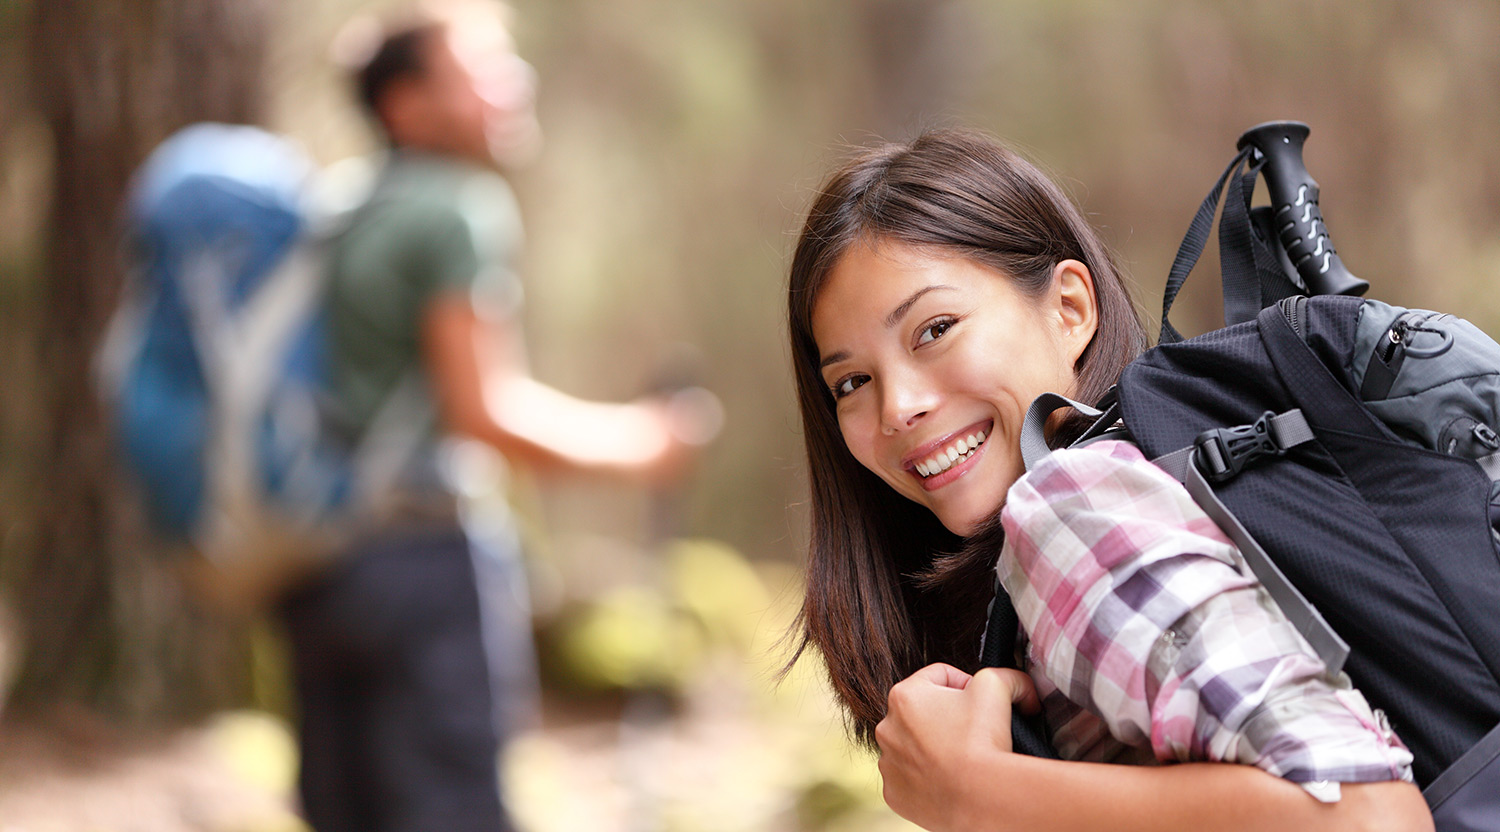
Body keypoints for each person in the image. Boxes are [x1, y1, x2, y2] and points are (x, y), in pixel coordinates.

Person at [784, 128, 1433, 831]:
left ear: (1070, 309)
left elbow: (1371, 817)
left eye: (934, 329)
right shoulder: (1096, 513)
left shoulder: (1074, 508)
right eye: (851, 381)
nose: (897, 407)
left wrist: (976, 794)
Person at [279, 6, 714, 831]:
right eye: (480, 69)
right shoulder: (456, 209)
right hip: (424, 561)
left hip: (320, 563)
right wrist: (643, 444)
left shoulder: (343, 210)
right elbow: (488, 413)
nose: (513, 84)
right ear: (406, 105)